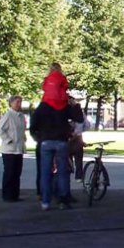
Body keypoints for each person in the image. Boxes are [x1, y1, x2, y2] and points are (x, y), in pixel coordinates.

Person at [30, 73, 83, 211]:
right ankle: (63, 200)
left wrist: (38, 137)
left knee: (45, 172)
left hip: (46, 141)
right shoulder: (64, 105)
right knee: (62, 172)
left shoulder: (43, 106)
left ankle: (46, 201)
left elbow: (33, 124)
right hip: (61, 141)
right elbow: (79, 119)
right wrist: (75, 105)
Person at [0, 96, 27, 202]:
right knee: (9, 173)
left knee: (16, 173)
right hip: (9, 150)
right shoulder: (8, 115)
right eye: (17, 102)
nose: (19, 104)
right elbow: (0, 129)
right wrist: (8, 140)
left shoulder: (20, 116)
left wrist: (23, 137)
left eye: (20, 102)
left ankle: (15, 194)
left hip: (18, 148)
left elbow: (21, 129)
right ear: (11, 103)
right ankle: (7, 195)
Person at [67, 97, 86, 181]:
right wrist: (79, 132)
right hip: (78, 138)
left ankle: (69, 171)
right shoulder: (80, 112)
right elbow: (87, 124)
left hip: (67, 138)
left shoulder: (65, 111)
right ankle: (79, 176)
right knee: (78, 158)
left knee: (67, 157)